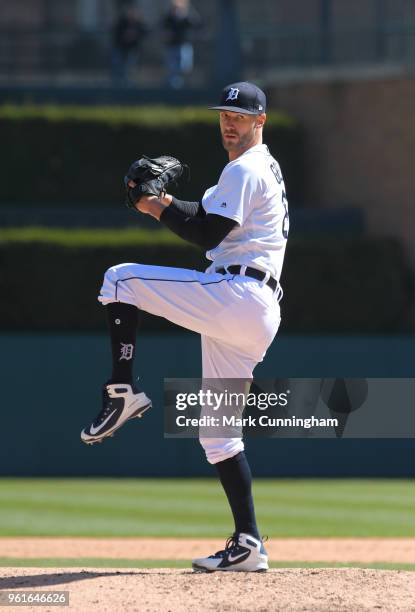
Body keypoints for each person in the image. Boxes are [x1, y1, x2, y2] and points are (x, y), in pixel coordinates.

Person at [81, 82, 289, 572]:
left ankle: (121, 391)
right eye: (225, 114)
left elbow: (205, 233)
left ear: (261, 121)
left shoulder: (245, 167)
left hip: (236, 296)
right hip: (252, 310)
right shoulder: (262, 169)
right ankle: (249, 544)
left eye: (240, 115)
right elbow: (210, 218)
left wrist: (155, 206)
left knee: (119, 280)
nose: (230, 122)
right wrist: (164, 202)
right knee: (218, 437)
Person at [162, 0, 201, 89]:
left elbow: (197, 24)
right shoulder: (168, 19)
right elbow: (163, 30)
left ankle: (181, 85)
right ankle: (174, 86)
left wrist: (189, 13)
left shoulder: (187, 18)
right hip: (172, 46)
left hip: (184, 46)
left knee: (185, 67)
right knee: (173, 68)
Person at [111, 4, 149, 85]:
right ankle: (117, 84)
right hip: (120, 48)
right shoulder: (121, 22)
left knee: (129, 67)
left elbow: (145, 33)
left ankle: (128, 84)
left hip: (133, 49)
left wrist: (134, 35)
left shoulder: (138, 23)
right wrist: (125, 36)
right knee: (117, 66)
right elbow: (115, 33)